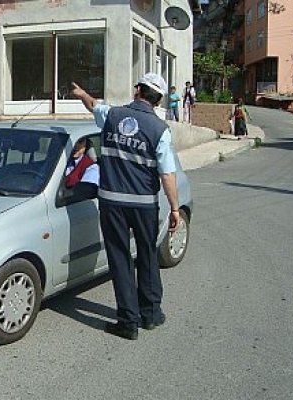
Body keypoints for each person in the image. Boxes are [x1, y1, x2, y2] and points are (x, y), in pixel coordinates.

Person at [71, 73, 181, 340]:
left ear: (137, 91)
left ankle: (128, 322)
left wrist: (81, 93)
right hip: (145, 205)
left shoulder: (113, 115)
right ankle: (151, 314)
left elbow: (93, 105)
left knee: (120, 259)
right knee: (147, 255)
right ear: (158, 100)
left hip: (113, 203)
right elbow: (167, 174)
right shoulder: (160, 129)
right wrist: (175, 208)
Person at [65, 137, 99, 201]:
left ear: (85, 145)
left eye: (80, 142)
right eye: (71, 143)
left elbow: (82, 194)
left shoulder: (92, 167)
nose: (75, 146)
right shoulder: (62, 161)